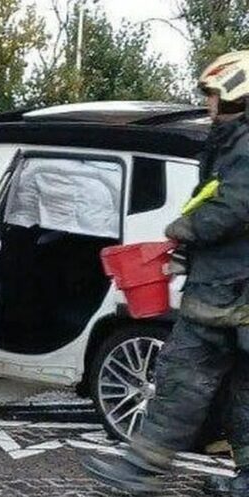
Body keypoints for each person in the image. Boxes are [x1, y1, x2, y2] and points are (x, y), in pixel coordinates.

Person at [85, 50, 249, 495]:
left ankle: (142, 469)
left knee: (183, 377)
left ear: (236, 91)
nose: (209, 102)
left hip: (227, 293)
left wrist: (185, 230)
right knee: (240, 394)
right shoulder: (230, 140)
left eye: (214, 94)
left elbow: (235, 206)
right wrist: (186, 253)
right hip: (226, 285)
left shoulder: (244, 143)